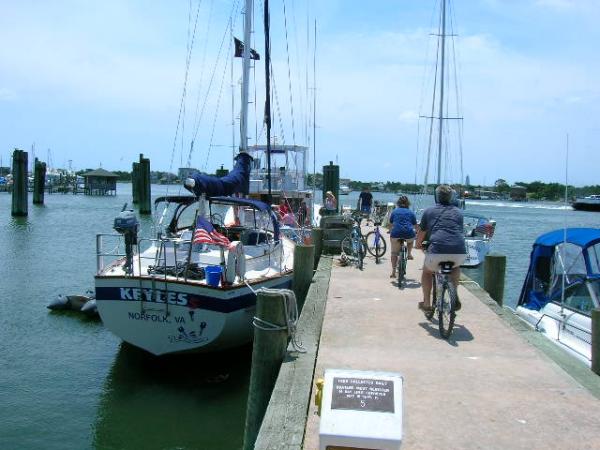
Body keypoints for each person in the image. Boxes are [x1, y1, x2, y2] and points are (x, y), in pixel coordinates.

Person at [415, 184, 466, 312]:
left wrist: (418, 244)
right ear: (450, 198)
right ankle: (453, 292)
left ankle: (427, 304)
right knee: (454, 267)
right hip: (458, 251)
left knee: (427, 272)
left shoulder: (428, 211)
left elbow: (421, 232)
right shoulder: (458, 213)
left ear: (436, 197)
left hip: (437, 250)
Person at [388, 196, 417, 278]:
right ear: (408, 203)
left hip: (396, 234)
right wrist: (416, 232)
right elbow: (415, 226)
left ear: (398, 203)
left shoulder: (394, 211)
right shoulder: (411, 212)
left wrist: (390, 231)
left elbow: (390, 224)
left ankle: (393, 272)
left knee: (394, 253)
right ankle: (409, 254)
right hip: (408, 233)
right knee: (411, 240)